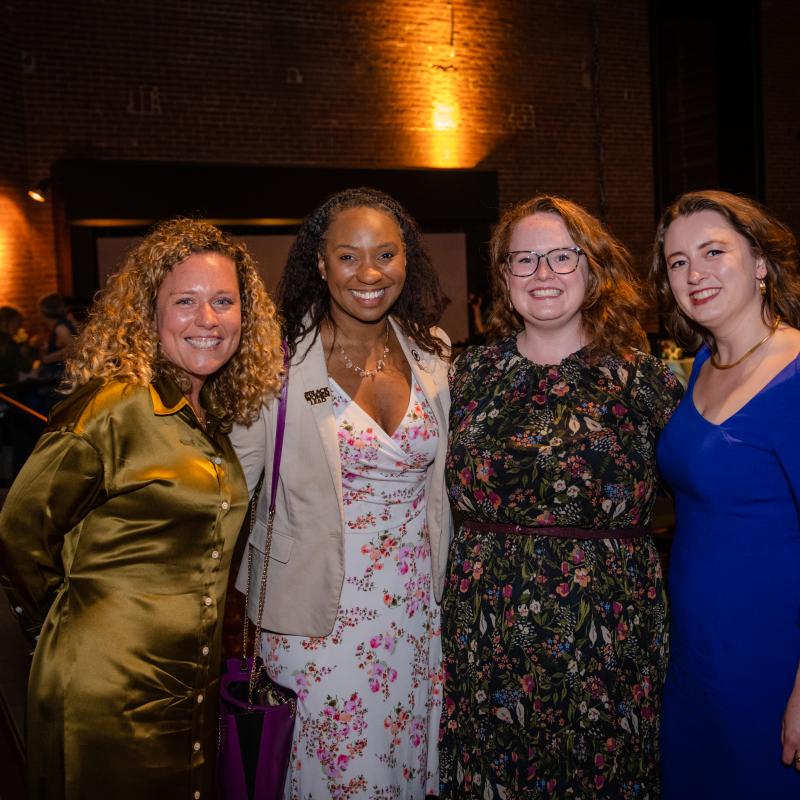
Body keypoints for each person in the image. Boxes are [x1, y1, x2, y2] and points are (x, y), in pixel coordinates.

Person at [0, 218, 283, 799]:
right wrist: (69, 623)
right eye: (185, 301)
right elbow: (19, 531)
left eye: (224, 301)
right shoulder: (114, 408)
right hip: (105, 684)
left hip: (189, 682)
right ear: (149, 316)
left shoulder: (207, 414)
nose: (207, 319)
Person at [441, 195, 683, 799]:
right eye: (523, 261)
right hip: (484, 632)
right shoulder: (464, 376)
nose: (542, 274)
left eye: (561, 257)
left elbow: (714, 496)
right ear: (503, 278)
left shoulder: (644, 380)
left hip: (607, 633)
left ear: (593, 267)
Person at [230, 187, 452, 799]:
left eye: (386, 254)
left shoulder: (433, 355)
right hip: (314, 620)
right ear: (320, 264)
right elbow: (225, 491)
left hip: (413, 614)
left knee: (400, 771)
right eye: (348, 257)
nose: (369, 273)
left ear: (407, 261)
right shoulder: (276, 364)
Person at [652, 190, 800, 798]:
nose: (695, 274)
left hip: (770, 654)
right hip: (694, 653)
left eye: (714, 251)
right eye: (678, 262)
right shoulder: (702, 364)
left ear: (761, 262)